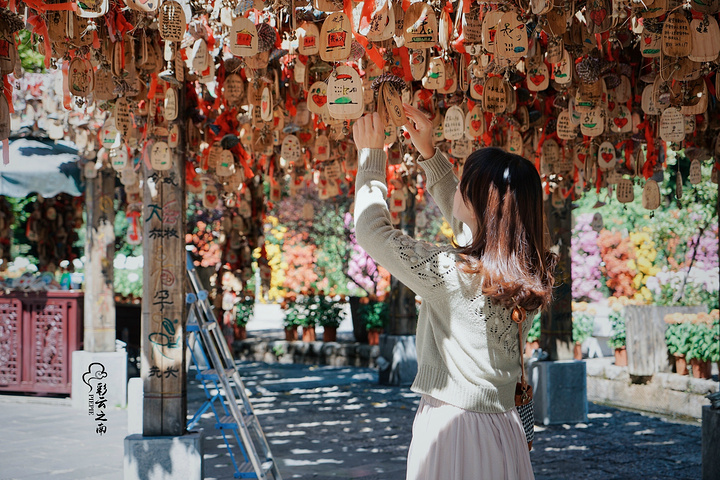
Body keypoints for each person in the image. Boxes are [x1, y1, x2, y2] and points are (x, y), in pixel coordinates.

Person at [352, 104, 556, 480]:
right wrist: (429, 153)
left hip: (452, 429)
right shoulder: (529, 269)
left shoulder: (452, 273)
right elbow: (474, 228)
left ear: (481, 206)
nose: (458, 186)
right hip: (503, 428)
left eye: (466, 183)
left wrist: (371, 157)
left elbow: (371, 232)